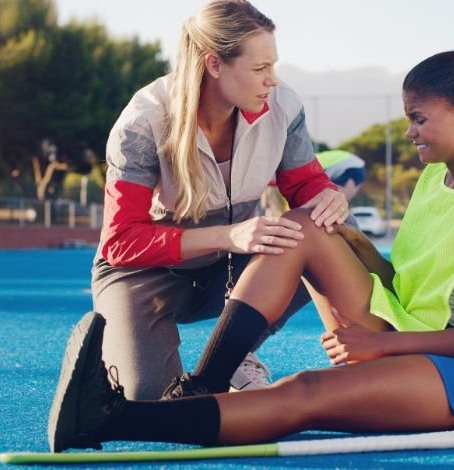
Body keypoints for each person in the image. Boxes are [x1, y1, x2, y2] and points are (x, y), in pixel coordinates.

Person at [47, 50, 454, 452]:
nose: (410, 131)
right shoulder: (437, 177)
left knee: (305, 392)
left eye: (419, 118)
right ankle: (203, 385)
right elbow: (407, 280)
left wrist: (382, 347)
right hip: (404, 328)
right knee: (301, 224)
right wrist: (340, 240)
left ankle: (108, 420)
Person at [89, 0, 349, 400]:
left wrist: (329, 198)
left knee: (334, 236)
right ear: (214, 64)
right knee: (151, 398)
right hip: (144, 273)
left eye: (273, 65)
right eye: (260, 68)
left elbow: (306, 185)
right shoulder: (143, 122)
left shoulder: (282, 107)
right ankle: (129, 335)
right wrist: (227, 236)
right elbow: (121, 242)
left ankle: (234, 354)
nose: (272, 80)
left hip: (230, 267)